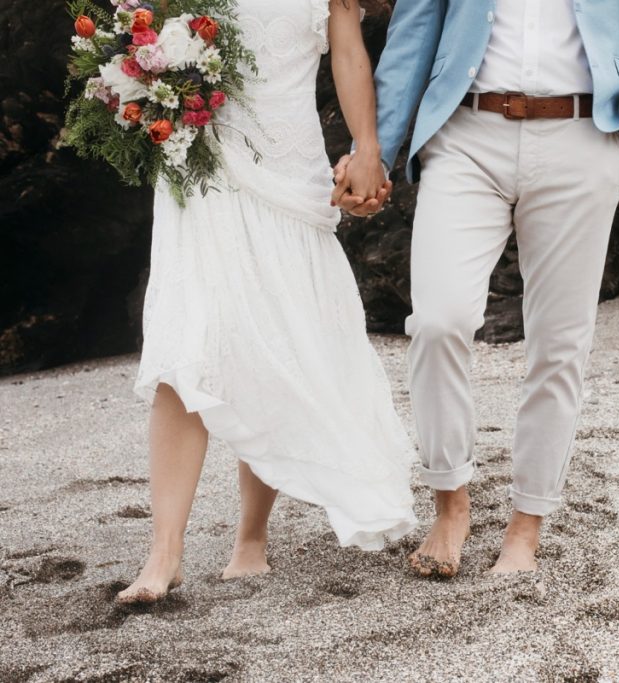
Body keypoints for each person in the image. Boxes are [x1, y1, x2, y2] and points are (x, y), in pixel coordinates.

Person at [334, 0, 619, 576]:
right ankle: (450, 504)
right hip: (466, 136)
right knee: (438, 321)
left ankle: (526, 526)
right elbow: (414, 31)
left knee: (559, 343)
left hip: (584, 138)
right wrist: (377, 152)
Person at [117, 0, 415, 604]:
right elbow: (145, 29)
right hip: (199, 170)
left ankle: (251, 541)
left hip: (288, 175)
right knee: (186, 344)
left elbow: (350, 54)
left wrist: (366, 147)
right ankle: (163, 554)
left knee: (272, 340)